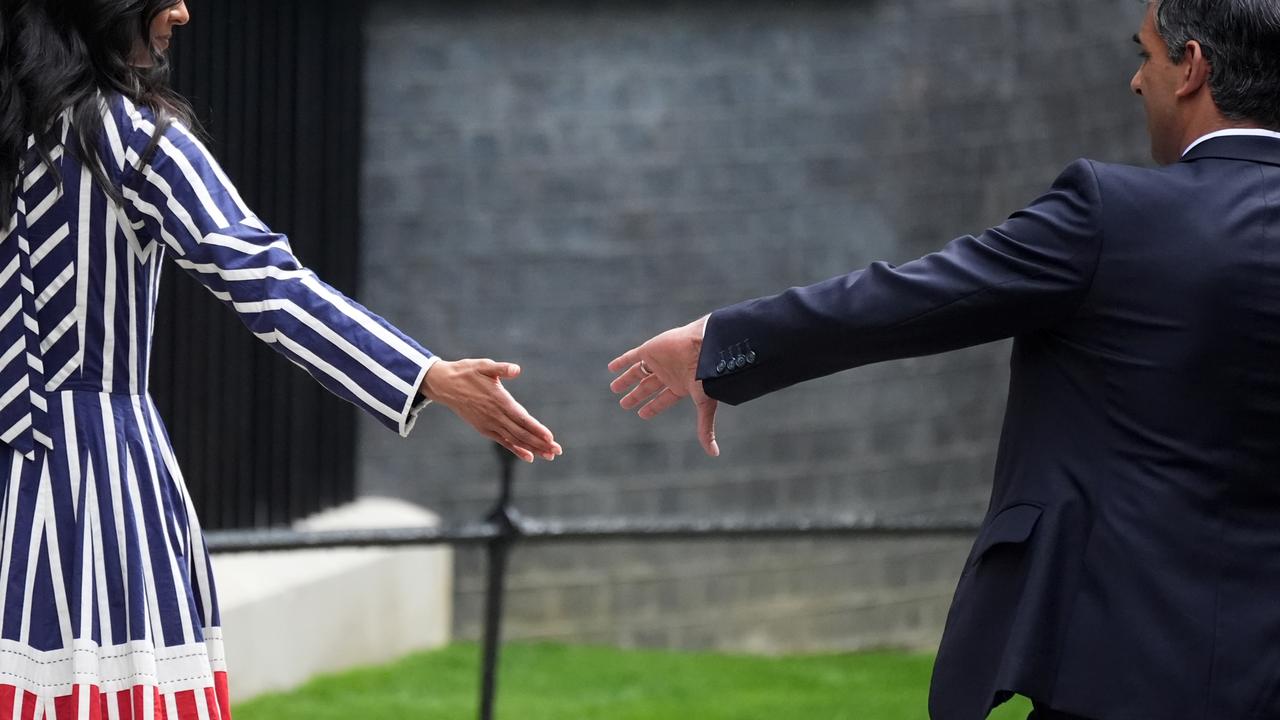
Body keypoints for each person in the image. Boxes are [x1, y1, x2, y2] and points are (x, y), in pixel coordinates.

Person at [609, 1, 1280, 718]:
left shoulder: (1114, 214)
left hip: (1117, 666)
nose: (1134, 82)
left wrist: (718, 343)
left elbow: (914, 300)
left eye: (1145, 55)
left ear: (1193, 69)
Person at [0, 0, 561, 718]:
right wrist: (425, 375)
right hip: (97, 483)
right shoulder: (135, 142)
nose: (182, 11)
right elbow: (266, 281)